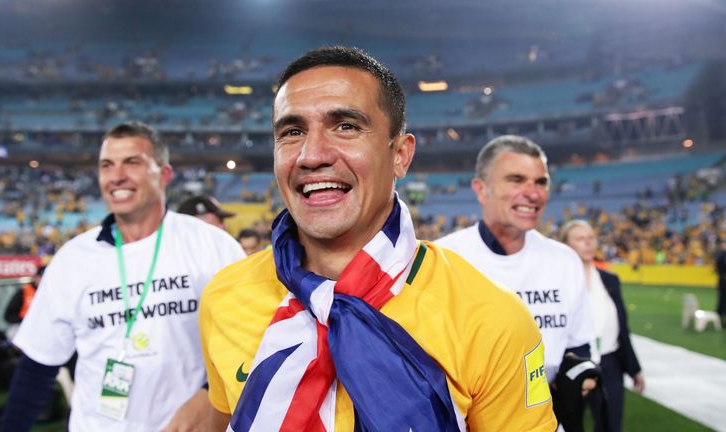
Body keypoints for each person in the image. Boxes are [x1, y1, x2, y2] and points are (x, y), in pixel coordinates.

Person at [199, 46, 556, 431]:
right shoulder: (224, 297)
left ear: (401, 155)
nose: (312, 154)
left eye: (346, 126)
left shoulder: (491, 318)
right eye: (292, 131)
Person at [1, 121, 246, 432]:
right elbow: (38, 367)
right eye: (107, 165)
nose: (117, 176)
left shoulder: (213, 246)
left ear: (165, 174)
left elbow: (247, 340)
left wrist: (209, 394)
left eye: (132, 162)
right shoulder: (72, 259)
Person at [434, 135, 596, 427]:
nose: (533, 193)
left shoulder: (565, 260)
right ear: (481, 189)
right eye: (517, 179)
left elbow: (579, 346)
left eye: (541, 182)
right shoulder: (443, 258)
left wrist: (579, 376)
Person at [561, 219, 644, 432]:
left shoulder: (610, 279)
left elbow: (622, 329)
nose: (588, 243)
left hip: (610, 363)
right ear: (565, 245)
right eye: (580, 239)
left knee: (611, 425)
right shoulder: (556, 281)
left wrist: (634, 368)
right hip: (571, 363)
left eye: (590, 238)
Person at [4, 265, 46, 339]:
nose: (43, 280)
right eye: (41, 277)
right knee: (12, 334)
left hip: (45, 327)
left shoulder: (53, 293)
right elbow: (8, 316)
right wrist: (24, 319)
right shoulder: (24, 291)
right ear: (35, 277)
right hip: (23, 326)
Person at [717, 237, 726, 320]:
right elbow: (719, 268)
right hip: (723, 281)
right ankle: (719, 316)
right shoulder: (720, 256)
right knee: (722, 299)